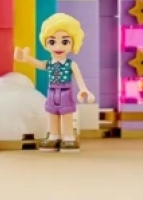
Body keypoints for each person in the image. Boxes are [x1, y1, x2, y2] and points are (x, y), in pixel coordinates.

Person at [14, 12, 95, 151]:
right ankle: (54, 136)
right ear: (46, 43)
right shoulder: (49, 63)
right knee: (52, 114)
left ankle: (68, 137)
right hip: (52, 92)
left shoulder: (70, 64)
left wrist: (83, 89)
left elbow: (78, 77)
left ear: (73, 43)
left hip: (65, 92)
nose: (58, 47)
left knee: (67, 114)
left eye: (65, 42)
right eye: (52, 42)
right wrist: (27, 59)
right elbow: (39, 64)